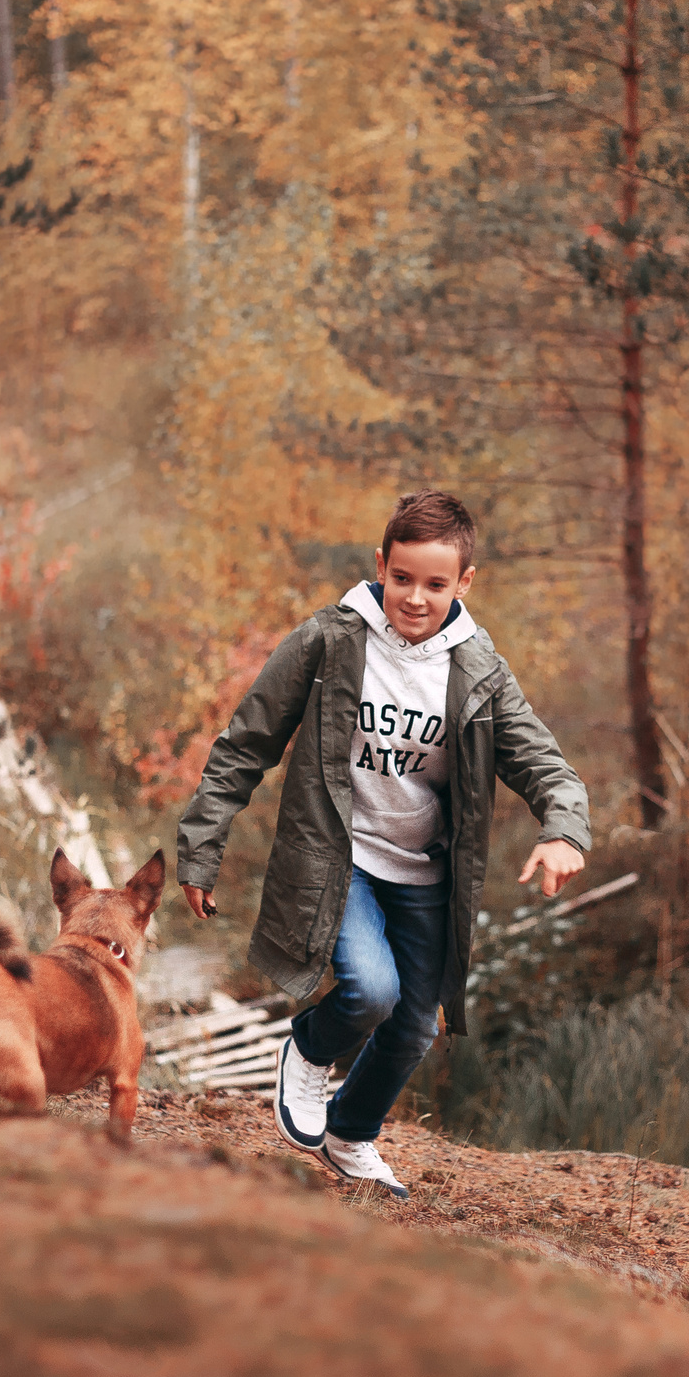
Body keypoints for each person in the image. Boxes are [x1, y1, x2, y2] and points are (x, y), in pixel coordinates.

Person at [174, 491, 591, 1197]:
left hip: (424, 877)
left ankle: (351, 1133)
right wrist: (202, 846)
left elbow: (545, 764)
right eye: (402, 578)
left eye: (435, 584)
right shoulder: (331, 641)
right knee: (370, 990)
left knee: (413, 1028)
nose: (416, 598)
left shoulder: (480, 672)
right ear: (380, 566)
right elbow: (245, 743)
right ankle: (307, 1049)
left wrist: (563, 829)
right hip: (340, 861)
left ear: (464, 584)